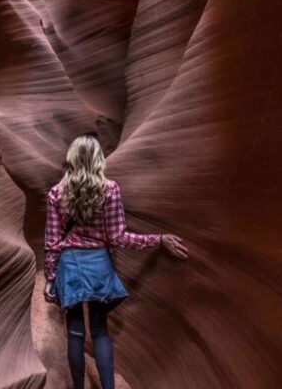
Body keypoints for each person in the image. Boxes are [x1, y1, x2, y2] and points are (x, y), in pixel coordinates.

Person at [42, 133, 188, 389]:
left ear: (72, 159)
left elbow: (52, 242)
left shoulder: (57, 193)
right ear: (98, 159)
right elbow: (119, 238)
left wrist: (50, 277)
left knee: (74, 332)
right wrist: (159, 239)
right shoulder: (110, 190)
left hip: (70, 264)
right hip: (99, 263)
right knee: (99, 330)